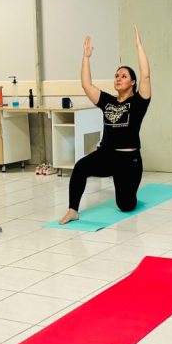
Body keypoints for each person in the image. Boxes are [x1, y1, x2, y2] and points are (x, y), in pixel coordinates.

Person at [59, 27, 151, 225]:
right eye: (116, 75)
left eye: (124, 76)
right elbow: (87, 85)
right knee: (80, 167)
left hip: (129, 161)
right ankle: (73, 210)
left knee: (125, 205)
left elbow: (146, 76)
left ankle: (129, 190)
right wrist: (86, 57)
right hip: (106, 155)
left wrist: (139, 46)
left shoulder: (138, 102)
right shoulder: (108, 101)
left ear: (132, 82)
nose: (118, 78)